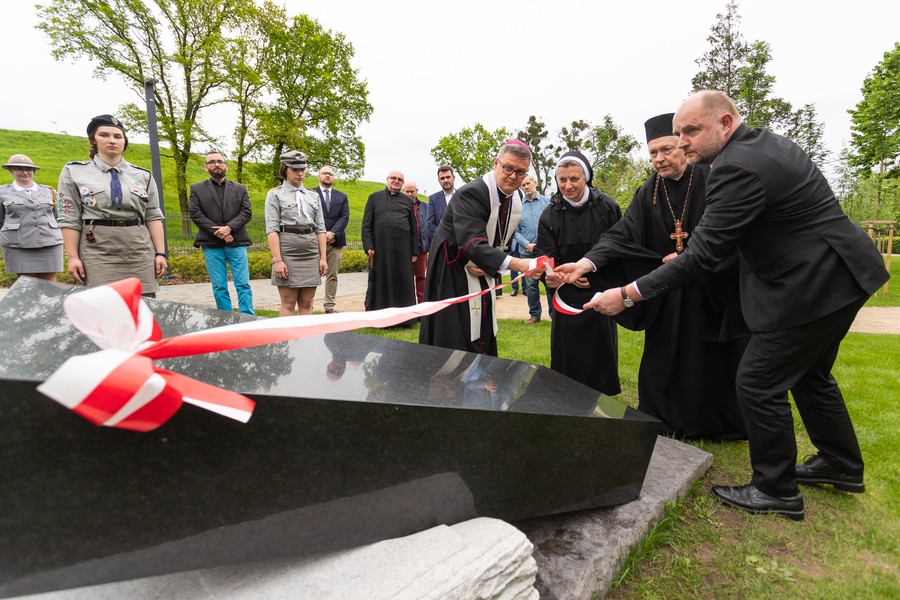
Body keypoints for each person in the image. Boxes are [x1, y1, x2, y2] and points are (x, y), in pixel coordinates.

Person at [559, 91, 889, 520]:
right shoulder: (761, 145)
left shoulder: (733, 168)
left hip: (815, 283)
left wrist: (625, 295)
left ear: (726, 123)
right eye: (676, 134)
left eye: (690, 131)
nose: (682, 142)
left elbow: (703, 255)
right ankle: (840, 464)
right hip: (835, 273)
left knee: (757, 382)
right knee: (811, 376)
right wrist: (593, 263)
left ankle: (776, 490)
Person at [584, 113, 747, 440]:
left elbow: (733, 236)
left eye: (666, 151)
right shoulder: (649, 191)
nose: (659, 159)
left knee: (711, 360)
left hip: (711, 291)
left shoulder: (711, 178)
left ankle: (715, 424)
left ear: (684, 146)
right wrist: (588, 263)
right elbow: (621, 235)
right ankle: (666, 417)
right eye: (653, 153)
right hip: (667, 294)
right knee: (666, 357)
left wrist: (691, 258)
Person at [419, 141, 544, 355]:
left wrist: (492, 263)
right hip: (453, 265)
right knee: (456, 326)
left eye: (520, 172)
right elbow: (471, 243)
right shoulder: (473, 192)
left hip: (482, 263)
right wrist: (517, 264)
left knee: (483, 317)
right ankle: (450, 378)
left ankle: (482, 370)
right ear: (496, 163)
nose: (513, 176)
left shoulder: (516, 196)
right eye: (508, 168)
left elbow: (503, 235)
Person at [537, 151, 621, 395]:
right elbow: (545, 257)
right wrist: (552, 275)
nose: (568, 185)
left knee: (600, 348)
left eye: (574, 179)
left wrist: (593, 278)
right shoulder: (549, 215)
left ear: (586, 177)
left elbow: (618, 248)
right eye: (562, 180)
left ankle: (603, 393)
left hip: (599, 289)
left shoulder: (607, 206)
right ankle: (567, 395)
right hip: (566, 294)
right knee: (567, 353)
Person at [57, 114, 167, 295]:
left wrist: (160, 254)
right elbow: (69, 217)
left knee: (143, 307)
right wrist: (73, 257)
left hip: (138, 249)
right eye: (104, 135)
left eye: (118, 136)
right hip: (98, 249)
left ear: (124, 141)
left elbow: (153, 216)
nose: (112, 140)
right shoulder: (74, 171)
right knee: (103, 307)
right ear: (94, 139)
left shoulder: (143, 175)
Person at [189, 151, 254, 314]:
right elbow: (196, 214)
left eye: (220, 161)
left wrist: (229, 228)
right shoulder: (196, 189)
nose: (216, 164)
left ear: (226, 165)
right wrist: (220, 232)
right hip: (212, 245)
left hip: (237, 243)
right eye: (212, 162)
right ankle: (225, 319)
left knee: (243, 284)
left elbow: (246, 212)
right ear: (206, 167)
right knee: (219, 286)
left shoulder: (240, 189)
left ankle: (247, 318)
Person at [265, 151, 327, 316]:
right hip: (288, 252)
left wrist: (323, 258)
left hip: (310, 252)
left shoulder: (314, 197)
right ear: (285, 169)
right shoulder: (275, 195)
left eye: (303, 169)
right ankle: (287, 341)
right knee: (289, 302)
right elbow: (272, 229)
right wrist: (278, 260)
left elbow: (320, 228)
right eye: (295, 170)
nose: (300, 173)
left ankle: (305, 341)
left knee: (307, 303)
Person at [361, 170, 417, 312]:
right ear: (387, 179)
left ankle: (405, 316)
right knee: (380, 280)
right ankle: (378, 314)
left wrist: (414, 252)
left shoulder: (408, 202)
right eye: (393, 178)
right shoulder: (374, 198)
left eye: (400, 179)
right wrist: (369, 246)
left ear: (402, 183)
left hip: (403, 249)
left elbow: (413, 229)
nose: (396, 181)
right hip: (380, 249)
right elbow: (366, 225)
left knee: (403, 280)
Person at [0, 154, 63, 281]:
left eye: (28, 169)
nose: (25, 172)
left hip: (49, 242)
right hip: (17, 244)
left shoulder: (49, 191)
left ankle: (50, 302)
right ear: (11, 170)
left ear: (33, 171)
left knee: (49, 280)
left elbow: (58, 217)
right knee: (26, 282)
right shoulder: (2, 192)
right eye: (19, 169)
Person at [312, 165, 349, 314]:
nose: (328, 176)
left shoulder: (342, 196)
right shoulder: (310, 193)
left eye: (331, 174)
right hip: (314, 241)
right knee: (312, 275)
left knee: (332, 275)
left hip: (335, 242)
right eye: (325, 173)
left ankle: (329, 306)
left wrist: (332, 233)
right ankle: (308, 306)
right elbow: (307, 215)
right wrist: (320, 234)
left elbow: (345, 216)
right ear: (318, 176)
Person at [514, 174, 550, 323]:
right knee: (531, 285)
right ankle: (535, 315)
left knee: (549, 282)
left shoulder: (547, 202)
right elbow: (514, 231)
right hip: (527, 252)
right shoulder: (517, 207)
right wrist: (526, 244)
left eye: (528, 183)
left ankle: (555, 314)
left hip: (546, 251)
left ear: (534, 182)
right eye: (523, 185)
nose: (526, 187)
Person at [402, 180, 429, 303]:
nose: (409, 194)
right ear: (403, 191)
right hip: (404, 248)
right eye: (407, 191)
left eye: (412, 191)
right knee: (405, 278)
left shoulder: (425, 206)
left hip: (420, 248)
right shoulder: (399, 205)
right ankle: (407, 304)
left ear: (416, 191)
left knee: (421, 277)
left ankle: (422, 304)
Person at [425, 164, 456, 242]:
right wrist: (443, 239)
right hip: (442, 244)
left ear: (454, 178)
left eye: (448, 177)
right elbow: (430, 223)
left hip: (461, 244)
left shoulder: (463, 196)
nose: (445, 180)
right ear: (439, 181)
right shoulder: (433, 199)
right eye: (442, 178)